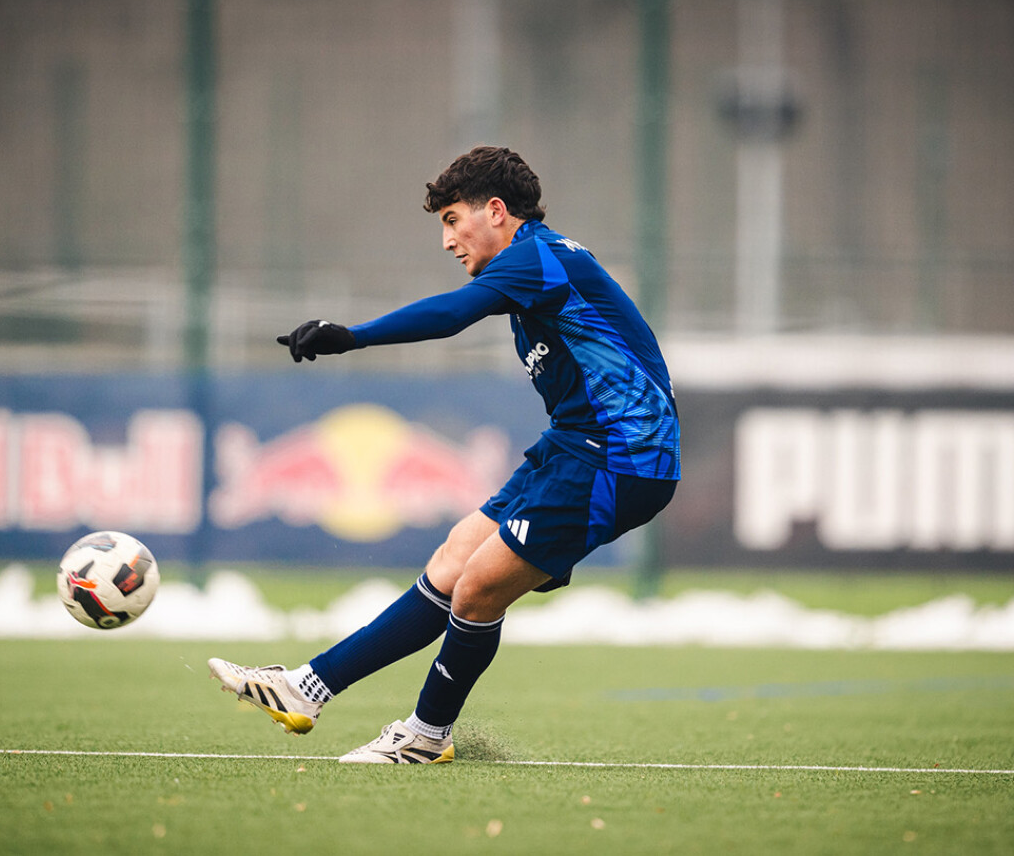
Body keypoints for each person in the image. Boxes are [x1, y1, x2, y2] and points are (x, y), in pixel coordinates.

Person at [209, 145, 681, 764]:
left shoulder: (535, 256)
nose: (447, 240)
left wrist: (353, 336)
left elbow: (452, 315)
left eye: (452, 220)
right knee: (455, 559)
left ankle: (426, 736)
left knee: (478, 590)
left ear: (495, 210)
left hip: (620, 457)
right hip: (576, 446)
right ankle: (306, 688)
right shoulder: (535, 264)